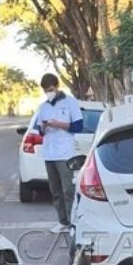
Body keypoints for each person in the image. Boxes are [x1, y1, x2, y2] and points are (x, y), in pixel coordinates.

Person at [33, 73, 83, 234]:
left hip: (65, 153)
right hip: (49, 153)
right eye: (46, 91)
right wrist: (44, 127)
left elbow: (78, 126)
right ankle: (62, 221)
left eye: (50, 89)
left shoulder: (70, 102)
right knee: (55, 191)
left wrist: (59, 124)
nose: (49, 93)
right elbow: (39, 131)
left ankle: (72, 222)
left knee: (68, 190)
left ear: (57, 86)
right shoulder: (43, 107)